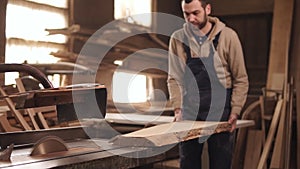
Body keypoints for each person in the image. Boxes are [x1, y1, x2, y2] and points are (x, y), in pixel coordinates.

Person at [167, 0, 249, 169]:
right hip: (190, 110)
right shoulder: (178, 39)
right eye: (186, 14)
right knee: (188, 163)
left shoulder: (228, 37)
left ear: (208, 9)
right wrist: (178, 109)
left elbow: (240, 79)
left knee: (221, 163)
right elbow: (174, 78)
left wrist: (235, 111)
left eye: (195, 13)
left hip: (220, 111)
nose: (190, 19)